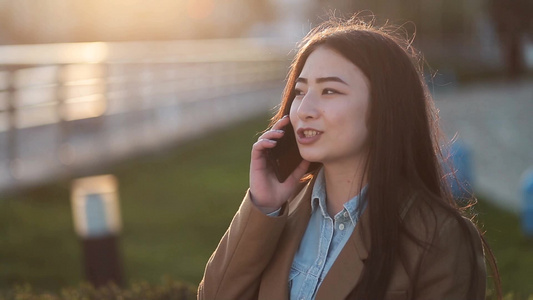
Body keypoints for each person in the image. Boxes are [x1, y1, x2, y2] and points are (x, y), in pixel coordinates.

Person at [198, 15, 500, 300]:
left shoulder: (439, 237)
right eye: (300, 92)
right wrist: (263, 205)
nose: (304, 110)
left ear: (385, 108)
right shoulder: (281, 215)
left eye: (329, 91)